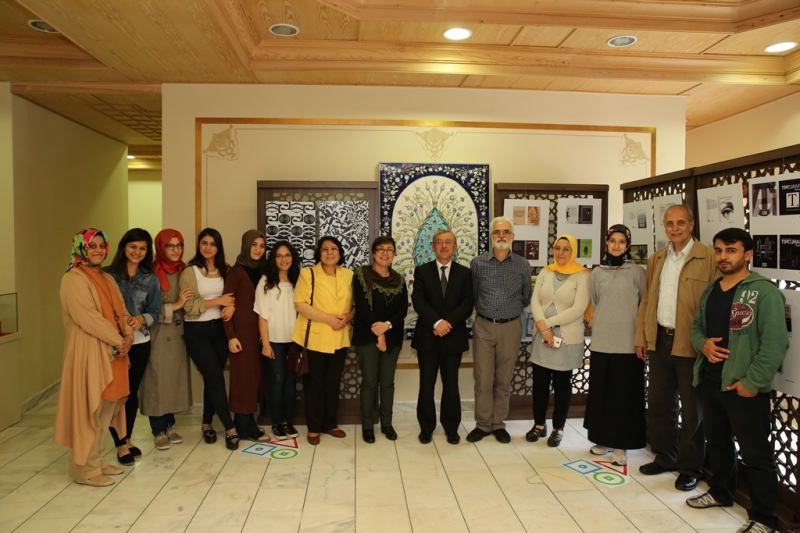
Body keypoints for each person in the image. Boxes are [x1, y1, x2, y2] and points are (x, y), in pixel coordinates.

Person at [686, 228, 788, 533]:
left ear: (748, 254)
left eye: (730, 250)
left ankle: (764, 517)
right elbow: (696, 327)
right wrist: (703, 344)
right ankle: (721, 492)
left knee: (756, 454)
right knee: (718, 443)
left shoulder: (765, 292)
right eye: (718, 250)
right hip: (711, 381)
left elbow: (775, 344)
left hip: (743, 387)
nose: (723, 257)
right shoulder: (712, 290)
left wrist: (752, 383)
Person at [635, 205, 720, 491]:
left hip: (691, 344)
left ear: (691, 225)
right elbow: (648, 300)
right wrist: (642, 337)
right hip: (659, 340)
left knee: (693, 411)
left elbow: (716, 304)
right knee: (660, 405)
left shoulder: (708, 258)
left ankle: (690, 467)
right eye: (670, 223)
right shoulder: (657, 258)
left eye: (681, 222)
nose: (675, 228)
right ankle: (665, 456)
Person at [54, 229, 133, 487]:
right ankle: (84, 469)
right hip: (90, 353)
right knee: (90, 410)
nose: (98, 250)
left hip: (114, 353)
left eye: (101, 245)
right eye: (92, 246)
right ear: (80, 248)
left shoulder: (106, 277)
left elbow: (121, 310)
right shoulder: (73, 279)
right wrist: (118, 339)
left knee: (106, 411)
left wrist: (128, 335)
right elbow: (88, 317)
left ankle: (96, 460)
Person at [583, 225, 646, 465]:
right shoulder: (597, 273)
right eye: (612, 241)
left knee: (624, 396)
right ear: (606, 243)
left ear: (627, 245)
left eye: (621, 241)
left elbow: (643, 305)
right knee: (603, 394)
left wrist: (641, 339)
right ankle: (603, 440)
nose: (616, 245)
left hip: (628, 345)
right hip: (602, 343)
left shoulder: (637, 272)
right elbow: (596, 302)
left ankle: (622, 444)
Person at [467, 216, 532, 443]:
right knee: (483, 379)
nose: (501, 236)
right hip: (484, 326)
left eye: (506, 232)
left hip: (511, 327)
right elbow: (473, 293)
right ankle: (483, 424)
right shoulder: (478, 263)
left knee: (503, 380)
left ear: (512, 236)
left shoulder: (523, 265)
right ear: (491, 235)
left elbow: (526, 296)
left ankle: (498, 424)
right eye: (497, 232)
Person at [103, 228, 162, 465]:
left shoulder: (150, 278)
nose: (137, 252)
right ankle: (119, 444)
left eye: (142, 248)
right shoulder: (107, 275)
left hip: (140, 342)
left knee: (130, 392)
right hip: (113, 344)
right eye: (133, 247)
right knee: (115, 393)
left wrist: (141, 319)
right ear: (123, 247)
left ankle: (126, 438)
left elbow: (155, 310)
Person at [412, 228, 474, 445]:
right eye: (439, 242)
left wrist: (448, 324)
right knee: (426, 385)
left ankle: (451, 428)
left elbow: (467, 304)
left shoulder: (465, 273)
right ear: (433, 246)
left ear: (455, 247)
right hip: (427, 338)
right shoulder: (422, 271)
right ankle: (426, 428)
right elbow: (419, 301)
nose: (444, 246)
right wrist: (437, 323)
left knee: (451, 385)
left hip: (453, 337)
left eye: (448, 242)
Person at [528, 234, 591, 447]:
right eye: (558, 248)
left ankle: (558, 428)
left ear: (573, 251)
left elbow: (578, 308)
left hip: (567, 339)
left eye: (566, 249)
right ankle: (539, 424)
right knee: (540, 384)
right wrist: (543, 328)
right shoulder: (546, 271)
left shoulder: (582, 275)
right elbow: (535, 300)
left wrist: (547, 324)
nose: (561, 253)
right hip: (542, 337)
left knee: (562, 386)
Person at [180, 228, 239, 449]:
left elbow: (235, 298)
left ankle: (206, 423)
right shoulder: (190, 271)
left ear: (218, 247)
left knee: (211, 379)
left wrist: (231, 306)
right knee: (215, 378)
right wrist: (218, 301)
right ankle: (230, 428)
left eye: (212, 243)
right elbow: (189, 306)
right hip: (197, 331)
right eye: (204, 243)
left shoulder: (227, 270)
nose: (208, 247)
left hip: (220, 331)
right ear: (199, 245)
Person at [293, 236, 355, 445]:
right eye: (325, 249)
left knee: (333, 382)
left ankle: (330, 423)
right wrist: (329, 319)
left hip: (339, 336)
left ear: (340, 253)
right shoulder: (308, 274)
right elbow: (300, 304)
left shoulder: (349, 275)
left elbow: (355, 304)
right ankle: (314, 427)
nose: (330, 253)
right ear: (319, 253)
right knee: (314, 384)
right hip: (315, 338)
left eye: (334, 249)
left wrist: (348, 316)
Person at [140, 229, 193, 451]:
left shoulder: (184, 271)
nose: (175, 250)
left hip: (178, 335)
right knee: (156, 381)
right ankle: (158, 430)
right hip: (157, 334)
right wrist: (176, 305)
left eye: (179, 245)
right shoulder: (150, 274)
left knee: (173, 381)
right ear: (161, 248)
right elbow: (144, 309)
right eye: (170, 246)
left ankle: (169, 426)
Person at [353, 236, 409, 443]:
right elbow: (362, 307)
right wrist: (380, 332)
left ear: (394, 254)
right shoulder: (361, 274)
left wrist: (387, 326)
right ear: (374, 253)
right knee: (369, 381)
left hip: (392, 337)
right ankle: (368, 425)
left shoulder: (399, 280)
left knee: (387, 382)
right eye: (381, 249)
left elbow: (402, 310)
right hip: (367, 336)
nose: (385, 253)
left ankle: (387, 424)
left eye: (389, 250)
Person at [224, 229, 271, 442]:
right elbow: (226, 306)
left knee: (253, 379)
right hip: (241, 336)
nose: (258, 249)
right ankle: (244, 426)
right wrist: (231, 336)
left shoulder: (261, 270)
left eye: (262, 246)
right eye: (254, 245)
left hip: (258, 334)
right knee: (242, 380)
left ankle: (246, 422)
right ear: (245, 246)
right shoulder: (236, 271)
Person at [255, 240, 301, 440]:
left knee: (291, 383)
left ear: (293, 258)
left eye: (287, 255)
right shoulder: (266, 281)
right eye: (279, 256)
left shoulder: (298, 280)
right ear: (274, 259)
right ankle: (276, 422)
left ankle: (287, 421)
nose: (284, 259)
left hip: (294, 341)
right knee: (276, 382)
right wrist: (265, 344)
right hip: (273, 341)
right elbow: (262, 316)